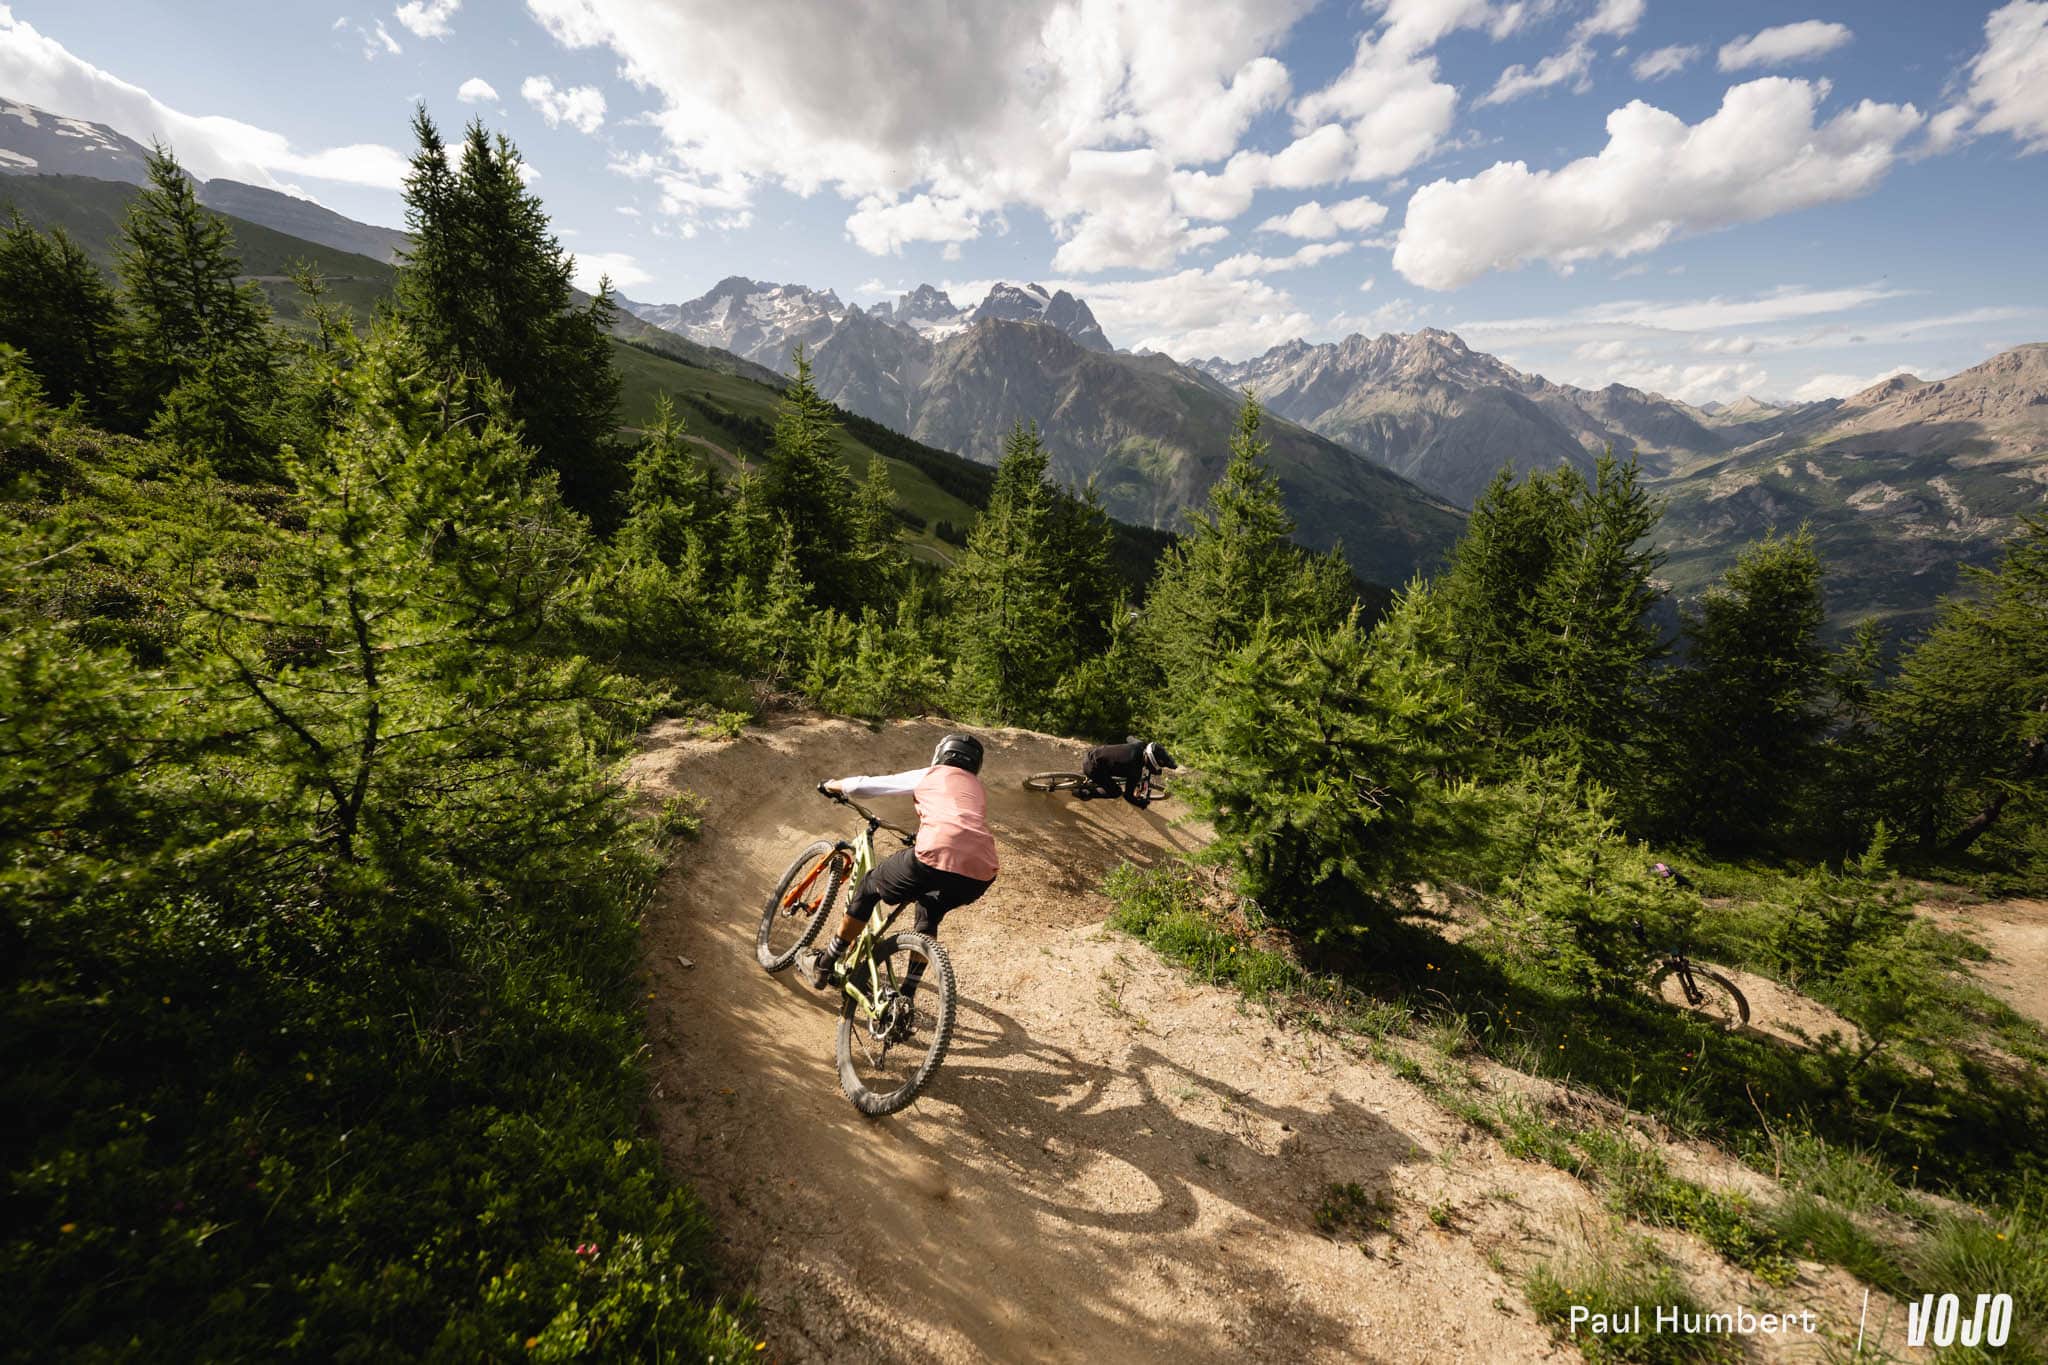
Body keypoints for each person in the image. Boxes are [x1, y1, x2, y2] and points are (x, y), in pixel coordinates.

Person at [798, 733, 998, 1002]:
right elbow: (959, 823)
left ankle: (824, 964)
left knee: (869, 887)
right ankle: (907, 996)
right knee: (929, 910)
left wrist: (832, 785)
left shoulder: (933, 774)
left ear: (942, 754)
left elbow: (868, 786)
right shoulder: (976, 788)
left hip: (936, 851)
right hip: (982, 871)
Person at [1079, 738, 1176, 805]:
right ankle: (1084, 792)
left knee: (1110, 769)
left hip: (1093, 754)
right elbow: (1128, 797)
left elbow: (1129, 738)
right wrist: (1140, 802)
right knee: (1115, 792)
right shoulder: (1135, 770)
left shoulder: (1139, 745)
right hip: (1092, 768)